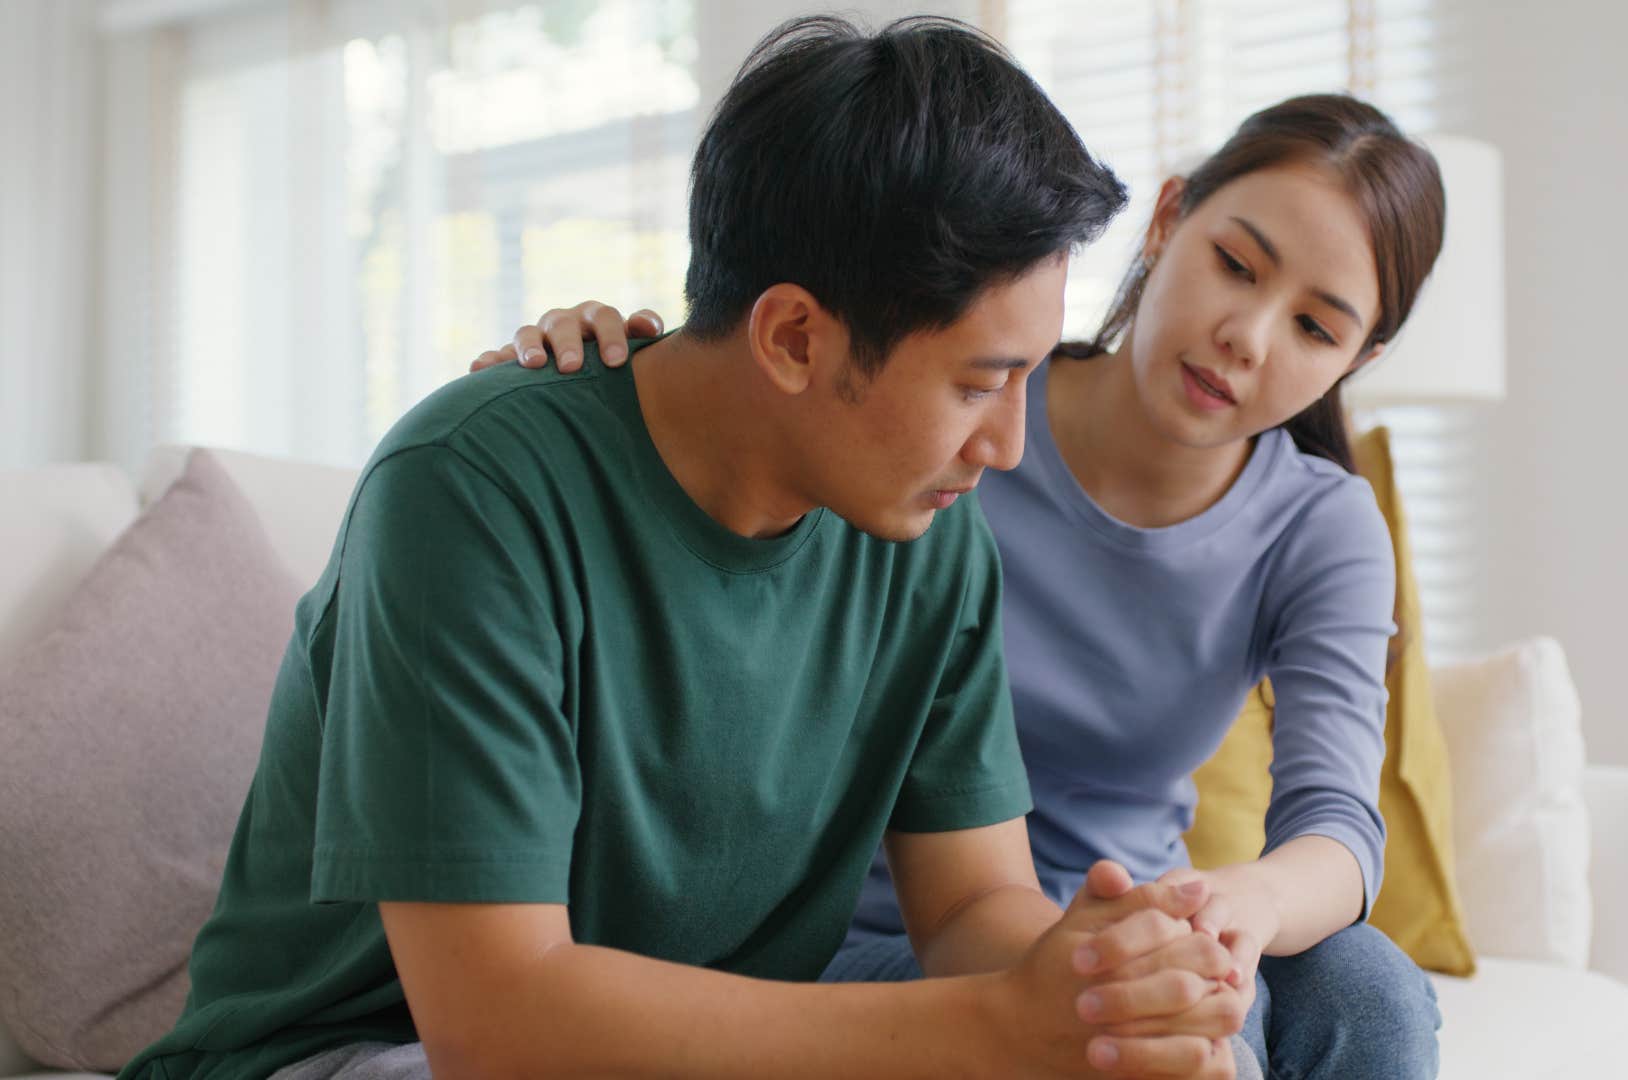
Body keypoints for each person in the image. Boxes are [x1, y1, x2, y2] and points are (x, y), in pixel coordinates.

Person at [119, 17, 1252, 1080]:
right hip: (351, 1053)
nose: (1008, 446)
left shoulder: (927, 533)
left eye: (1027, 378)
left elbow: (966, 911)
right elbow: (494, 1023)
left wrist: (1097, 979)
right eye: (977, 383)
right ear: (796, 337)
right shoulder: (469, 490)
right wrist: (993, 1025)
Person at [483, 93, 1450, 1078]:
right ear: (1167, 220)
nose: (1248, 335)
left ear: (1356, 362)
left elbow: (1337, 825)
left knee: (1363, 988)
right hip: (879, 935)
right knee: (1188, 1025)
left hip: (1111, 918)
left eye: (1316, 329)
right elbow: (759, 396)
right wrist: (606, 358)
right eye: (1235, 265)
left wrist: (1233, 907)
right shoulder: (938, 420)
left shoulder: (1318, 525)